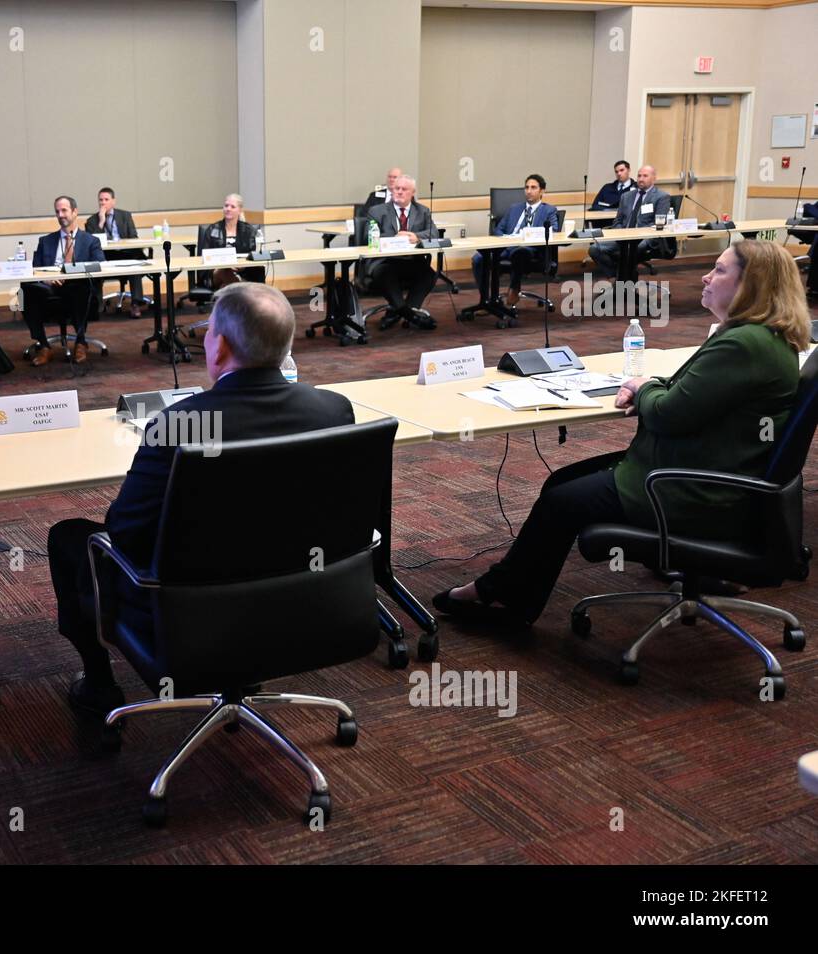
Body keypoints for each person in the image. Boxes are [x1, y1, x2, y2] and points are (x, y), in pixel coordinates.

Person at [433, 240, 809, 628]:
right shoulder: (763, 337)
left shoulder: (743, 343)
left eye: (718, 270)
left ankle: (505, 598)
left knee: (561, 502)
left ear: (752, 283)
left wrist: (644, 389)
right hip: (708, 468)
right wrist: (648, 384)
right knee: (561, 482)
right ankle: (514, 593)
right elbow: (695, 390)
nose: (705, 276)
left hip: (688, 489)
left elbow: (666, 414)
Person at [46, 282, 356, 715]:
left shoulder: (182, 424)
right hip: (305, 596)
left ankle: (98, 685)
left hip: (190, 609)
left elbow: (126, 533)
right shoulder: (335, 410)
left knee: (69, 537)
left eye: (209, 333)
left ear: (221, 347)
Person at [23, 195, 106, 367]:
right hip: (49, 288)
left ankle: (81, 342)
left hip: (76, 287)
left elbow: (100, 265)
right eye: (57, 211)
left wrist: (71, 273)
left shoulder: (91, 241)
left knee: (79, 289)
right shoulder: (45, 241)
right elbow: (33, 270)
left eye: (64, 210)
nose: (60, 215)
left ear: (75, 212)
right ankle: (44, 345)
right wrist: (48, 279)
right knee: (23, 291)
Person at [359, 174, 439, 329]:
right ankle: (410, 315)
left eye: (404, 189)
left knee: (428, 273)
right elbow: (367, 237)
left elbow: (433, 233)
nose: (400, 192)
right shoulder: (376, 211)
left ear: (413, 192)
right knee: (387, 273)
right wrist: (396, 238)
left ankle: (402, 312)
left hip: (411, 261)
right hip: (384, 261)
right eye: (397, 188)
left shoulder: (422, 211)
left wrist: (415, 236)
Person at [470, 174, 558, 307]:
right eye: (527, 187)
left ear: (542, 191)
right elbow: (498, 230)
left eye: (533, 187)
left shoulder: (548, 210)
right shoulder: (514, 209)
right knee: (478, 259)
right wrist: (506, 238)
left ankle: (514, 288)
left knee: (520, 252)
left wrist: (529, 235)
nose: (529, 191)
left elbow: (553, 231)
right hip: (507, 247)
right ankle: (485, 300)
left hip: (531, 251)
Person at [589, 165, 674, 278]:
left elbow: (659, 223)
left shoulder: (662, 197)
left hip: (645, 239)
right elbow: (618, 220)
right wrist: (620, 234)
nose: (641, 179)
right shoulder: (626, 196)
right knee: (594, 249)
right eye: (639, 176)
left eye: (645, 176)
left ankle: (625, 278)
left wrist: (642, 238)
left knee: (631, 250)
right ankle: (618, 276)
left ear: (654, 178)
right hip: (624, 238)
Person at [84, 186, 144, 319]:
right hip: (105, 256)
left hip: (125, 253)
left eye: (106, 199)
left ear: (113, 201)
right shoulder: (92, 221)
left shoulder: (125, 216)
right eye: (100, 200)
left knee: (135, 265)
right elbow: (92, 244)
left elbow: (134, 237)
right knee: (95, 266)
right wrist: (101, 222)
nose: (103, 203)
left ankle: (135, 303)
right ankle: (97, 306)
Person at [199, 194, 265, 287]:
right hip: (216, 272)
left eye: (232, 207)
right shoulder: (212, 229)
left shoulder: (248, 230)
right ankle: (242, 289)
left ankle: (231, 291)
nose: (228, 209)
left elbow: (252, 254)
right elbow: (203, 256)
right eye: (226, 206)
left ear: (240, 210)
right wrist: (224, 265)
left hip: (243, 271)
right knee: (225, 271)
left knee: (226, 285)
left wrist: (242, 266)